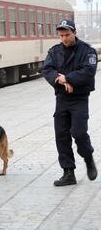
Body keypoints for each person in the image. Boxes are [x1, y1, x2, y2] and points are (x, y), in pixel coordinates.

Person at [42, 19, 98, 187]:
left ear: (74, 33)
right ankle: (68, 173)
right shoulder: (54, 51)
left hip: (79, 98)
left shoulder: (87, 51)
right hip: (62, 98)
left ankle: (88, 158)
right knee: (62, 135)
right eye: (61, 35)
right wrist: (59, 80)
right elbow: (47, 70)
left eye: (67, 34)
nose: (64, 38)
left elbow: (88, 71)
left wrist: (68, 78)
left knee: (79, 133)